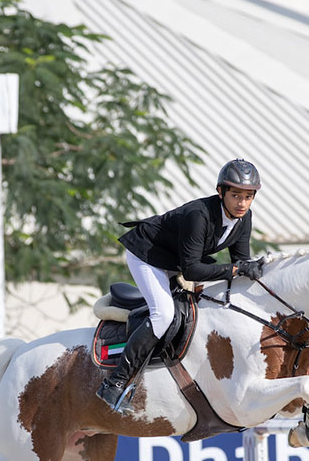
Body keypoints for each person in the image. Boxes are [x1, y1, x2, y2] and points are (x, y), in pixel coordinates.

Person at [95, 158, 265, 411]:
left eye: (248, 196)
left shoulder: (244, 219)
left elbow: (239, 262)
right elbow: (194, 269)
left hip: (176, 257)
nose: (242, 203)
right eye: (236, 195)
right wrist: (237, 269)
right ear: (221, 192)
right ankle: (115, 384)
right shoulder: (199, 215)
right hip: (148, 255)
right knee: (163, 314)